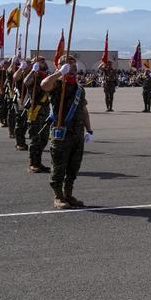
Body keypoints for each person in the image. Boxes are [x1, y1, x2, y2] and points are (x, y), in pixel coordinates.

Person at [40, 54, 93, 209]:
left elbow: (84, 110)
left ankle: (68, 194)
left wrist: (89, 130)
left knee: (73, 166)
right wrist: (59, 73)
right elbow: (44, 85)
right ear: (60, 66)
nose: (73, 67)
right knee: (59, 165)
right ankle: (58, 196)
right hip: (61, 132)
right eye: (68, 64)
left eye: (73, 64)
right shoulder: (56, 84)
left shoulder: (79, 88)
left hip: (77, 132)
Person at [22, 56, 51, 174]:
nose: (42, 63)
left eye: (43, 61)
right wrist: (33, 71)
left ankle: (38, 162)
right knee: (35, 138)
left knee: (44, 139)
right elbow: (25, 82)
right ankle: (33, 163)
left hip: (45, 111)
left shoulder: (46, 75)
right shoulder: (34, 76)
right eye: (38, 61)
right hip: (35, 111)